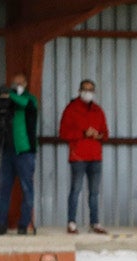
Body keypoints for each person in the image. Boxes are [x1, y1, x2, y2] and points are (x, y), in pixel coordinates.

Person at [58, 78, 108, 234]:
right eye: (85, 89)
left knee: (94, 192)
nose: (88, 92)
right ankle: (71, 222)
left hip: (95, 156)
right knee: (76, 190)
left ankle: (95, 222)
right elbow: (63, 133)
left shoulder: (98, 110)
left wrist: (99, 135)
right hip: (78, 156)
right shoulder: (71, 109)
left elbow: (106, 133)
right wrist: (83, 133)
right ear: (79, 91)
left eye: (91, 89)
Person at [0, 72, 39, 236]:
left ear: (25, 84)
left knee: (27, 189)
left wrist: (9, 94)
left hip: (25, 151)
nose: (16, 86)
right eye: (14, 83)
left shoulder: (30, 99)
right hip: (8, 150)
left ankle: (23, 225)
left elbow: (24, 103)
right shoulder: (9, 102)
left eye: (19, 83)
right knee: (3, 188)